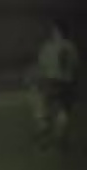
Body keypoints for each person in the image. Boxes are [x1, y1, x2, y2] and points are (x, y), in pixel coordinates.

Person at [26, 19, 79, 151]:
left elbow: (41, 67)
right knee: (63, 110)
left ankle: (44, 128)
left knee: (42, 105)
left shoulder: (48, 47)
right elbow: (75, 66)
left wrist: (35, 80)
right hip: (67, 83)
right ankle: (61, 134)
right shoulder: (71, 47)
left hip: (51, 82)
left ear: (55, 32)